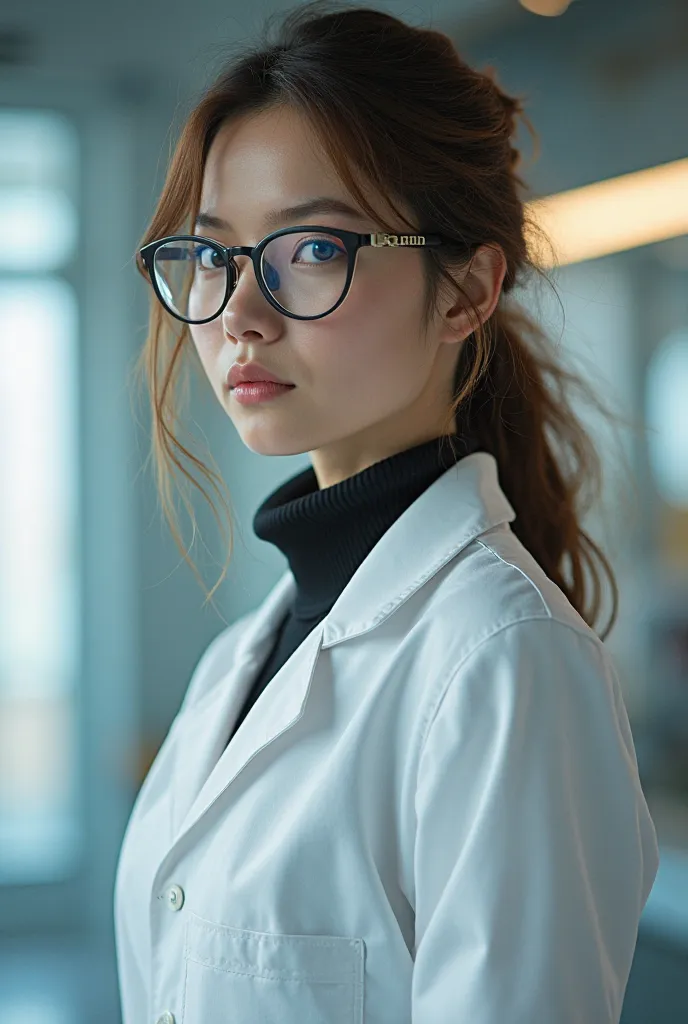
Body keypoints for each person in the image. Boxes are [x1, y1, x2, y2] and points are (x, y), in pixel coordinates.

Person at [115, 3, 659, 1022]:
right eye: (211, 253)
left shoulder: (504, 662)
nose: (239, 311)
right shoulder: (244, 657)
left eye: (310, 248)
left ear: (464, 291)